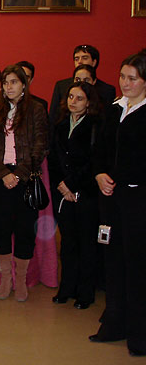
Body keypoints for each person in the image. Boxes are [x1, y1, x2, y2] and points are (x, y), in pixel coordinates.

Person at [89, 53, 146, 356]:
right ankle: (114, 324)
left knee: (137, 266)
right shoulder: (114, 110)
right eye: (123, 76)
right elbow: (99, 150)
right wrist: (99, 174)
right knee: (113, 262)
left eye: (132, 78)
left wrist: (123, 179)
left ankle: (139, 334)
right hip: (111, 199)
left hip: (138, 201)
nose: (125, 83)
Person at [0, 64, 49, 302]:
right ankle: (5, 279)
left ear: (23, 84)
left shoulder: (36, 109)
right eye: (5, 82)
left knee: (24, 230)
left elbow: (40, 146)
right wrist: (3, 173)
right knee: (0, 228)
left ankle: (20, 280)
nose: (8, 87)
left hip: (25, 178)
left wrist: (19, 174)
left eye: (14, 82)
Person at [48, 82, 101, 310]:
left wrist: (72, 184)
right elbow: (54, 158)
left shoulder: (95, 125)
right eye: (71, 97)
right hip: (64, 194)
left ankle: (85, 293)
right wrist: (62, 186)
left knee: (86, 244)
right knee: (68, 243)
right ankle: (66, 288)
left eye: (79, 98)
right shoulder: (60, 125)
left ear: (88, 102)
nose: (73, 102)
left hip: (86, 192)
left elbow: (94, 160)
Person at [49, 44, 117, 124]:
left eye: (85, 58)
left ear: (94, 62)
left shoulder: (107, 90)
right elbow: (53, 116)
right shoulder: (62, 86)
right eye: (76, 59)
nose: (80, 62)